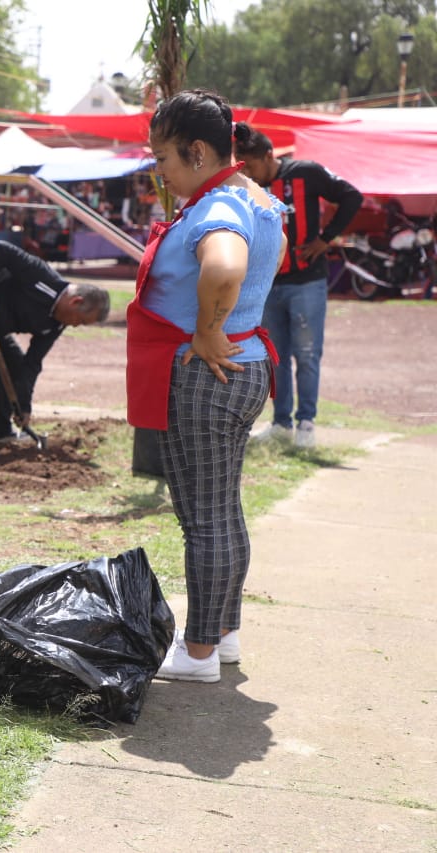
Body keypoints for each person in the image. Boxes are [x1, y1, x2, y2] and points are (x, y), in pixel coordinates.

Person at [127, 90, 287, 683]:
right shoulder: (261, 199)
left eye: (163, 157)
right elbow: (277, 256)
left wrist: (208, 331)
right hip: (241, 369)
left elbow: (223, 264)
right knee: (223, 512)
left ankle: (196, 653)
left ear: (197, 152)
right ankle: (223, 635)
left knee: (204, 520)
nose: (158, 171)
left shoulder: (218, 206)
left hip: (207, 375)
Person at [234, 127, 363, 449]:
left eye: (250, 165)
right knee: (275, 357)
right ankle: (281, 424)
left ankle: (306, 423)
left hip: (307, 282)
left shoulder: (306, 172)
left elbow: (351, 196)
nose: (246, 172)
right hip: (268, 286)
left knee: (306, 355)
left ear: (268, 156)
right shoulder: (245, 187)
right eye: (241, 166)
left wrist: (325, 239)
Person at [0, 240, 110, 460]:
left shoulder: (57, 323)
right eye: (81, 321)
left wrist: (24, 406)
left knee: (16, 366)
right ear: (76, 302)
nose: (76, 326)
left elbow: (32, 364)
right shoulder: (42, 277)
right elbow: (1, 249)